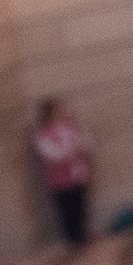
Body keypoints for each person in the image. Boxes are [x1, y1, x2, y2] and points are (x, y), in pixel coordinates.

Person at [32, 98, 94, 247]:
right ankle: (72, 238)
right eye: (58, 109)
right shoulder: (43, 133)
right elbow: (49, 153)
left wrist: (83, 147)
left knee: (80, 204)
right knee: (67, 208)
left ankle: (82, 233)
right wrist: (70, 151)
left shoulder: (72, 125)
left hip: (78, 172)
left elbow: (86, 140)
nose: (62, 112)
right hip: (61, 178)